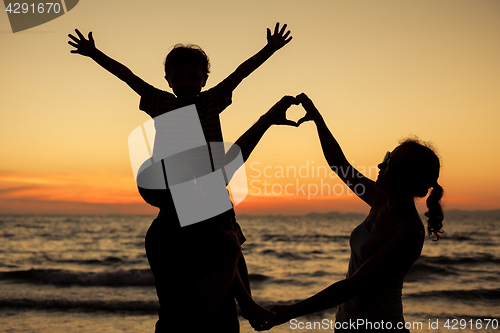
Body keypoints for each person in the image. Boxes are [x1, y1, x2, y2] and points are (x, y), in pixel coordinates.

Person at [68, 24, 292, 332]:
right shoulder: (161, 102)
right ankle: (246, 306)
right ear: (168, 79)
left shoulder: (212, 100)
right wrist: (94, 53)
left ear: (204, 79)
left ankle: (247, 304)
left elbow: (241, 73)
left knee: (232, 242)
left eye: (193, 76)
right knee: (222, 243)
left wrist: (269, 49)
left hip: (211, 185)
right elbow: (127, 76)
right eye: (179, 76)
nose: (186, 82)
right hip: (176, 187)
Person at [257, 93, 445, 332]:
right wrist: (318, 120)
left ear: (408, 180)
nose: (380, 165)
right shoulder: (379, 200)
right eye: (386, 157)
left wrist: (291, 311)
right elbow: (340, 165)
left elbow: (354, 285)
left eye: (389, 163)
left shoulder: (409, 231)